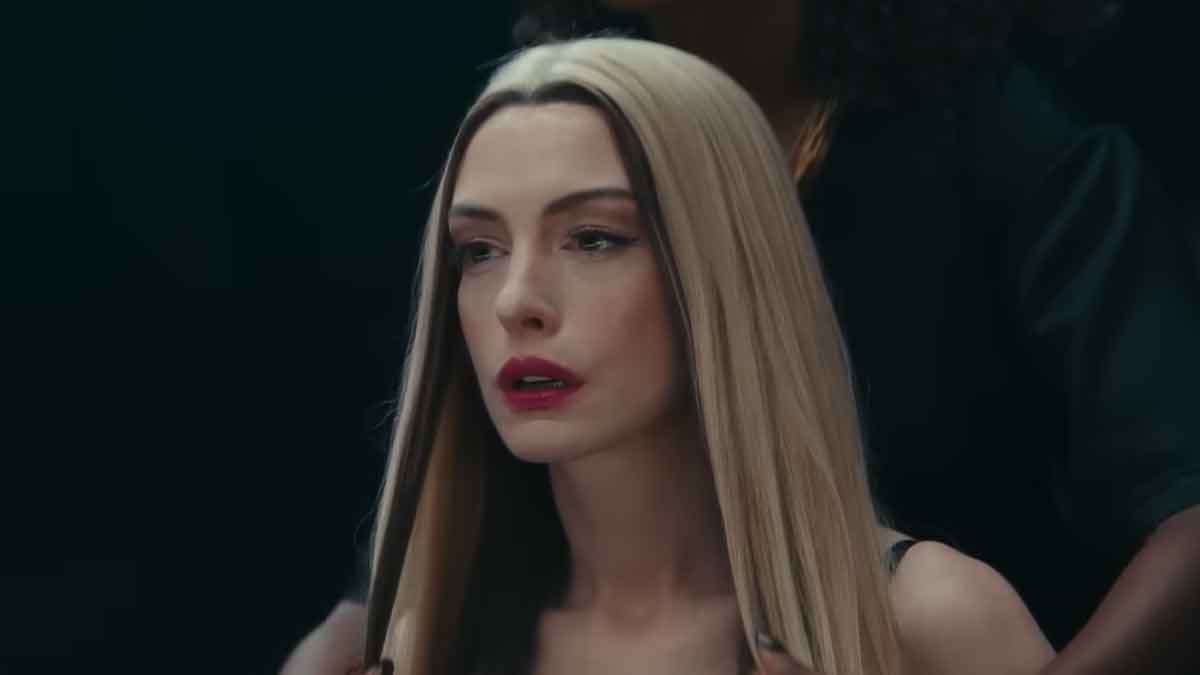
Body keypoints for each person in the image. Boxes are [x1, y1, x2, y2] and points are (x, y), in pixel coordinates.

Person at [283, 2, 1200, 673]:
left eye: (594, 237)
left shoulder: (1003, 147)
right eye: (478, 250)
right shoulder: (434, 633)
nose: (516, 300)